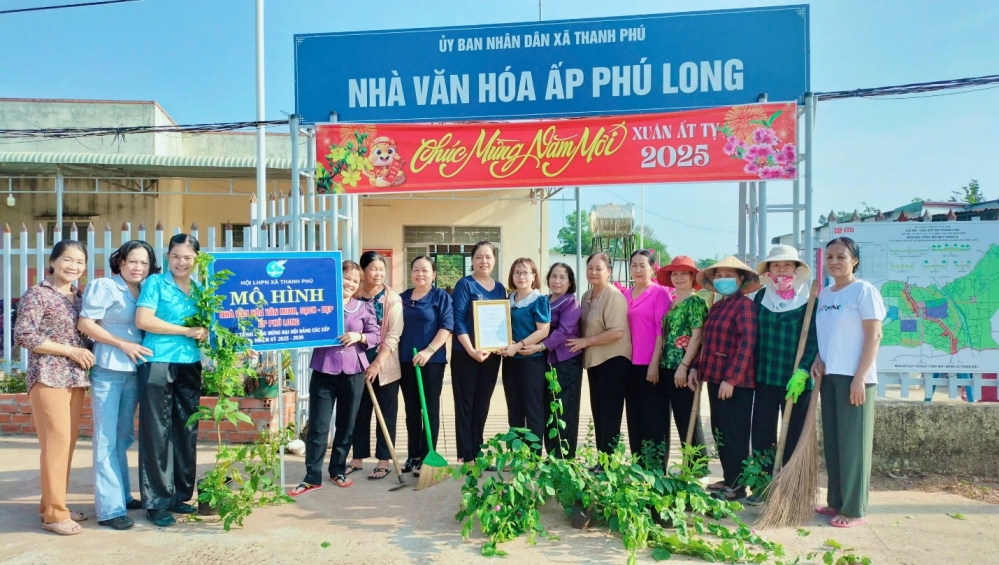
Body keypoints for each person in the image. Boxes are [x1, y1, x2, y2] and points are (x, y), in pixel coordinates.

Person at [14, 240, 94, 536]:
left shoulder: (80, 297)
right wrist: (70, 351)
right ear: (53, 261)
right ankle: (55, 515)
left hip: (75, 377)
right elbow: (24, 335)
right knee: (56, 442)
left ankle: (50, 505)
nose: (74, 266)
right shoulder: (38, 294)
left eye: (80, 262)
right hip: (48, 375)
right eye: (68, 260)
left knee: (65, 444)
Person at [78, 241, 158, 530]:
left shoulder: (146, 289)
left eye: (144, 263)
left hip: (135, 371)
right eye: (132, 261)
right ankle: (110, 509)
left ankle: (122, 495)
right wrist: (122, 343)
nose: (138, 267)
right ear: (120, 262)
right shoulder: (104, 286)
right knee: (106, 439)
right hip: (108, 369)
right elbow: (86, 324)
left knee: (123, 437)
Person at [134, 234, 208, 528]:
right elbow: (143, 320)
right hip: (158, 361)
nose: (181, 262)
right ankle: (157, 503)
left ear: (197, 259)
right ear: (168, 257)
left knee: (186, 430)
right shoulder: (155, 283)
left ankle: (179, 495)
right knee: (158, 432)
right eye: (176, 256)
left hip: (189, 363)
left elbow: (209, 326)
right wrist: (185, 331)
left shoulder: (201, 289)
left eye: (188, 257)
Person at [812, 237, 886, 528]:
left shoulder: (863, 291)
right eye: (829, 257)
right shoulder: (825, 294)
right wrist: (818, 357)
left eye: (841, 257)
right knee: (834, 443)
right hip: (830, 377)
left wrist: (860, 378)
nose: (834, 262)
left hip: (855, 378)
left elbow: (874, 336)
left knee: (854, 446)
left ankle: (854, 509)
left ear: (854, 260)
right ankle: (836, 501)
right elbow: (827, 334)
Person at [290, 261, 380, 496]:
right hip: (324, 369)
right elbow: (302, 326)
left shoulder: (364, 307)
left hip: (353, 372)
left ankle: (338, 470)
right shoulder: (319, 303)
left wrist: (358, 336)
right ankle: (312, 476)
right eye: (346, 278)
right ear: (336, 278)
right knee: (318, 426)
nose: (350, 283)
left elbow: (375, 335)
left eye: (355, 281)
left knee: (347, 425)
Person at [746, 245, 819, 506]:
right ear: (769, 270)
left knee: (794, 434)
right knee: (762, 432)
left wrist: (803, 370)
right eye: (776, 265)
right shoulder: (761, 296)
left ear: (796, 269)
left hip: (796, 380)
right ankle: (761, 485)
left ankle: (791, 488)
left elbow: (815, 339)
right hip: (765, 376)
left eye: (787, 264)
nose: (781, 269)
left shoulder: (809, 299)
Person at [692, 256, 759, 501]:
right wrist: (695, 367)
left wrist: (731, 379)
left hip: (735, 382)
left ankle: (738, 485)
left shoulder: (745, 306)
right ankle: (729, 477)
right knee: (720, 430)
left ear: (741, 279)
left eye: (729, 275)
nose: (723, 280)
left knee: (734, 432)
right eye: (718, 276)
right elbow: (706, 341)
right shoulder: (718, 307)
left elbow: (747, 343)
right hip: (714, 375)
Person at [567, 252, 632, 456]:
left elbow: (617, 331)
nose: (593, 272)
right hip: (595, 361)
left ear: (609, 271)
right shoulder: (587, 296)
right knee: (599, 412)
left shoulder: (613, 295)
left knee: (610, 413)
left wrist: (585, 342)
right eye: (590, 268)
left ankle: (609, 462)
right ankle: (602, 460)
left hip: (613, 361)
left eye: (599, 268)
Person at [349, 251, 403, 480]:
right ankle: (357, 458)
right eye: (373, 269)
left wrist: (377, 363)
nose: (379, 273)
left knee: (386, 413)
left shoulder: (392, 299)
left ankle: (383, 460)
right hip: (355, 362)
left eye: (382, 269)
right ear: (363, 271)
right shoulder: (352, 295)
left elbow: (393, 335)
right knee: (358, 412)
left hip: (385, 364)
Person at [450, 241, 507, 463]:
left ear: (494, 260)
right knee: (465, 404)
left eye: (488, 257)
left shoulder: (500, 288)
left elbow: (503, 321)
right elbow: (457, 320)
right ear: (472, 260)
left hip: (491, 356)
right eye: (479, 257)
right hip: (466, 353)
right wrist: (472, 350)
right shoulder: (465, 284)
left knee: (482, 404)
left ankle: (477, 450)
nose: (484, 261)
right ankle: (466, 455)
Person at [398, 256, 453, 476]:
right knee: (411, 409)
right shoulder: (402, 298)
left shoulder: (440, 297)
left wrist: (428, 351)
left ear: (434, 274)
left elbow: (447, 326)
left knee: (429, 409)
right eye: (416, 270)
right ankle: (413, 455)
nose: (420, 274)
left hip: (432, 362)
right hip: (406, 359)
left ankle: (429, 454)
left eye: (425, 270)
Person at [655, 256, 708, 459]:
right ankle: (688, 464)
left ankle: (697, 465)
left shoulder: (696, 302)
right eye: (674, 274)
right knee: (678, 417)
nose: (678, 277)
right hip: (668, 366)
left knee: (688, 416)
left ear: (692, 276)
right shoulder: (674, 302)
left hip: (683, 368)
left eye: (683, 274)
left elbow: (697, 336)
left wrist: (684, 366)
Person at [498, 258, 551, 450]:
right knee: (514, 408)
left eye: (526, 272)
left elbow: (543, 331)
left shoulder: (539, 300)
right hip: (511, 362)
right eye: (517, 272)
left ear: (534, 276)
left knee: (533, 409)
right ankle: (517, 454)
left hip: (531, 362)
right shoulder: (508, 301)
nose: (521, 276)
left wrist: (519, 345)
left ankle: (533, 456)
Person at [530, 262, 582, 457]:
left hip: (565, 361)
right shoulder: (543, 299)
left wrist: (541, 346)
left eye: (562, 277)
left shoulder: (571, 302)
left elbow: (564, 331)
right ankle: (552, 454)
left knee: (564, 408)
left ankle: (565, 457)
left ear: (570, 282)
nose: (557, 281)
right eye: (554, 276)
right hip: (544, 361)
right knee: (548, 408)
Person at [624, 250, 672, 460]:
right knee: (635, 416)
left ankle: (656, 468)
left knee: (655, 417)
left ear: (652, 268)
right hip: (628, 364)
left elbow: (662, 331)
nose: (638, 270)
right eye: (634, 265)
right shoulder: (625, 295)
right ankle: (638, 464)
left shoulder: (660, 293)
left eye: (643, 265)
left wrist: (654, 363)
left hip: (651, 365)